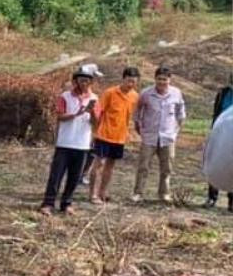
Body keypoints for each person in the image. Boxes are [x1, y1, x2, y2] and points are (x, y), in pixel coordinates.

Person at [39, 64, 100, 216]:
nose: (83, 83)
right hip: (65, 142)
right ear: (75, 81)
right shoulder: (65, 96)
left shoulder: (94, 98)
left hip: (82, 143)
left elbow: (97, 122)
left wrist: (91, 112)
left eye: (86, 81)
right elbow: (60, 116)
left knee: (74, 176)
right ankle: (48, 203)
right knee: (56, 175)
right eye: (80, 80)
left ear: (90, 82)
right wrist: (78, 113)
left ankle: (67, 203)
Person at [132, 66, 186, 204]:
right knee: (143, 166)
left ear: (170, 80)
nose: (162, 82)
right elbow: (137, 112)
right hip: (149, 137)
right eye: (159, 79)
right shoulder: (146, 94)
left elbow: (181, 113)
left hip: (168, 138)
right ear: (155, 79)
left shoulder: (176, 93)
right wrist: (140, 129)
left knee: (167, 168)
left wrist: (175, 131)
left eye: (165, 79)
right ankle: (138, 193)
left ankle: (164, 194)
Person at [88, 66, 141, 203]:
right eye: (128, 81)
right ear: (123, 79)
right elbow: (97, 111)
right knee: (99, 163)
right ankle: (93, 194)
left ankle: (102, 192)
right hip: (104, 134)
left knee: (110, 166)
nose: (131, 84)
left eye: (134, 82)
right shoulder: (110, 93)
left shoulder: (135, 96)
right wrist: (95, 130)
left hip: (120, 137)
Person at [205, 73, 233, 211]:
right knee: (215, 161)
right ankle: (212, 197)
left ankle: (231, 201)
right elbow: (216, 112)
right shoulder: (223, 93)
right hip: (220, 132)